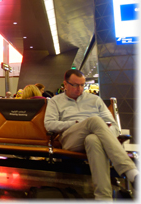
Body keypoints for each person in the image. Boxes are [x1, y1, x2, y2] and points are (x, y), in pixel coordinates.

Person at [44, 69, 138, 200]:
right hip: (70, 139)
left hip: (94, 137)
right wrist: (77, 123)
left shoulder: (95, 100)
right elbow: (50, 124)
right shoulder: (55, 101)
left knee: (93, 140)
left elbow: (113, 125)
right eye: (75, 85)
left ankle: (103, 198)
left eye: (82, 85)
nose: (80, 89)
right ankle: (130, 171)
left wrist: (102, 134)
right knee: (94, 120)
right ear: (65, 84)